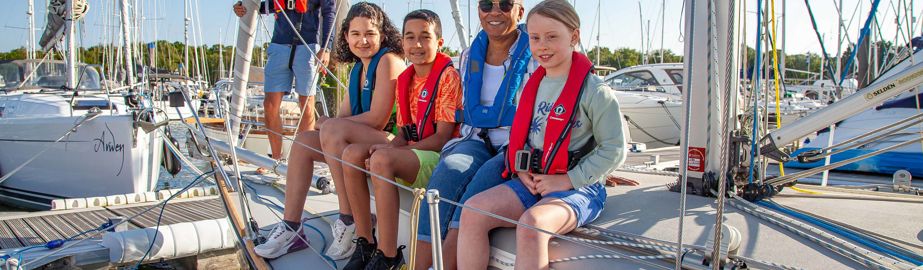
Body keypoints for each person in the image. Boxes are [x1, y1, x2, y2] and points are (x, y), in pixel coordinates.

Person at [457, 0, 627, 269]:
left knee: (531, 225)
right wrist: (521, 170)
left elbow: (615, 149)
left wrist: (568, 180)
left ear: (574, 36)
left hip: (580, 187)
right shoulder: (532, 87)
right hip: (533, 181)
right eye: (535, 38)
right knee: (473, 211)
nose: (542, 46)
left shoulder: (595, 91)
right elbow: (523, 138)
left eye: (551, 37)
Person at [251, 2, 405, 260]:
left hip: (391, 141)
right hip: (363, 138)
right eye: (355, 34)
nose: (363, 40)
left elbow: (378, 119)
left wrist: (330, 124)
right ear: (346, 37)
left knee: (331, 129)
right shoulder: (358, 68)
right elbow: (342, 116)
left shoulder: (388, 61)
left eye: (370, 33)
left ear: (383, 34)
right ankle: (292, 227)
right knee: (303, 141)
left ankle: (348, 219)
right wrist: (329, 124)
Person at [413, 0, 536, 269]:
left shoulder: (537, 52)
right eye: (486, 4)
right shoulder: (469, 55)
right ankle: (418, 265)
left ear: (519, 11)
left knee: (477, 188)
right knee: (445, 174)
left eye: (504, 4)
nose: (494, 11)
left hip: (514, 146)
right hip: (475, 140)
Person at [340, 9, 463, 270]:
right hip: (413, 152)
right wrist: (390, 146)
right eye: (410, 37)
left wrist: (392, 153)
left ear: (439, 43)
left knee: (383, 160)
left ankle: (388, 256)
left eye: (424, 37)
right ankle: (365, 241)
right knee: (352, 154)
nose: (416, 44)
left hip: (440, 157)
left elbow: (441, 138)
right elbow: (405, 132)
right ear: (402, 42)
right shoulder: (406, 79)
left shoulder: (447, 77)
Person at [232, 0, 335, 169]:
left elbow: (329, 12)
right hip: (280, 45)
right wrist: (244, 6)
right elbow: (263, 6)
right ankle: (275, 160)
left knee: (307, 107)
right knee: (270, 105)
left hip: (308, 45)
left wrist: (326, 48)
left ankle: (301, 162)